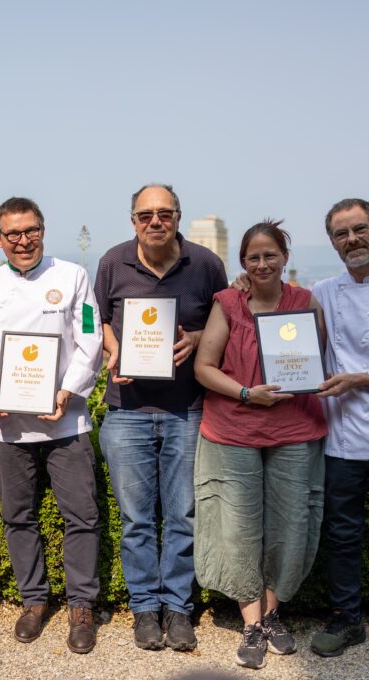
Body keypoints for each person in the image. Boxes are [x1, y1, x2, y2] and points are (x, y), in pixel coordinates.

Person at [94, 183, 227, 652]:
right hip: (126, 412)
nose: (155, 222)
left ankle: (178, 608)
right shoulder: (112, 262)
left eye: (164, 214)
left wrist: (193, 339)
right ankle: (145, 609)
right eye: (146, 214)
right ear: (133, 220)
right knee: (135, 520)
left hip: (186, 410)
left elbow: (224, 320)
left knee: (183, 515)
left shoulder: (206, 264)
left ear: (177, 218)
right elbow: (102, 321)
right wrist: (114, 350)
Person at [193, 220, 327, 670]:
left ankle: (272, 614)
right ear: (243, 262)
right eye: (254, 257)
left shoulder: (305, 302)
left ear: (285, 258)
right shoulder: (227, 303)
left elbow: (315, 361)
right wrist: (248, 392)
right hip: (233, 429)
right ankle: (250, 621)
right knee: (238, 528)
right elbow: (204, 367)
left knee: (290, 524)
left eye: (271, 255)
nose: (263, 263)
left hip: (295, 430)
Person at [0, 197, 103, 653]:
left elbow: (89, 336)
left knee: (82, 516)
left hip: (66, 420)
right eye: (13, 233)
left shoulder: (72, 275)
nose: (23, 240)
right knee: (17, 517)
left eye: (31, 230)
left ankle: (82, 605)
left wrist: (68, 390)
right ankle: (33, 601)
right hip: (9, 427)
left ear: (43, 231)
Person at [308, 198, 369, 658]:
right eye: (342, 234)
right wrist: (247, 284)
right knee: (343, 534)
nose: (353, 239)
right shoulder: (325, 290)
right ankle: (348, 619)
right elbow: (291, 331)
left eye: (360, 229)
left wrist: (360, 379)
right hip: (344, 438)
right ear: (332, 243)